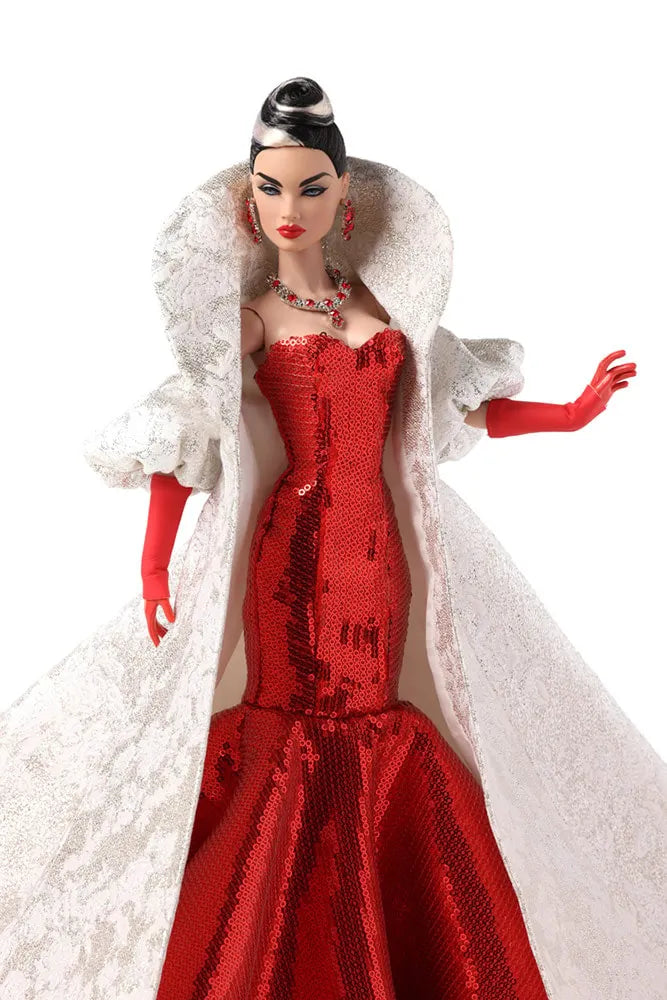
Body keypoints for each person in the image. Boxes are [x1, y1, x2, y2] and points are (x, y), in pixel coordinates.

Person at [1, 77, 664, 1000]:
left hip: (378, 552)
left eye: (310, 187)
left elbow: (457, 409)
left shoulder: (387, 314)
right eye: (269, 187)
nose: (289, 207)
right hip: (296, 553)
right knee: (303, 724)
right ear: (247, 198)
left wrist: (570, 412)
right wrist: (154, 563)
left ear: (343, 196)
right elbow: (185, 432)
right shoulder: (251, 322)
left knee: (377, 713)